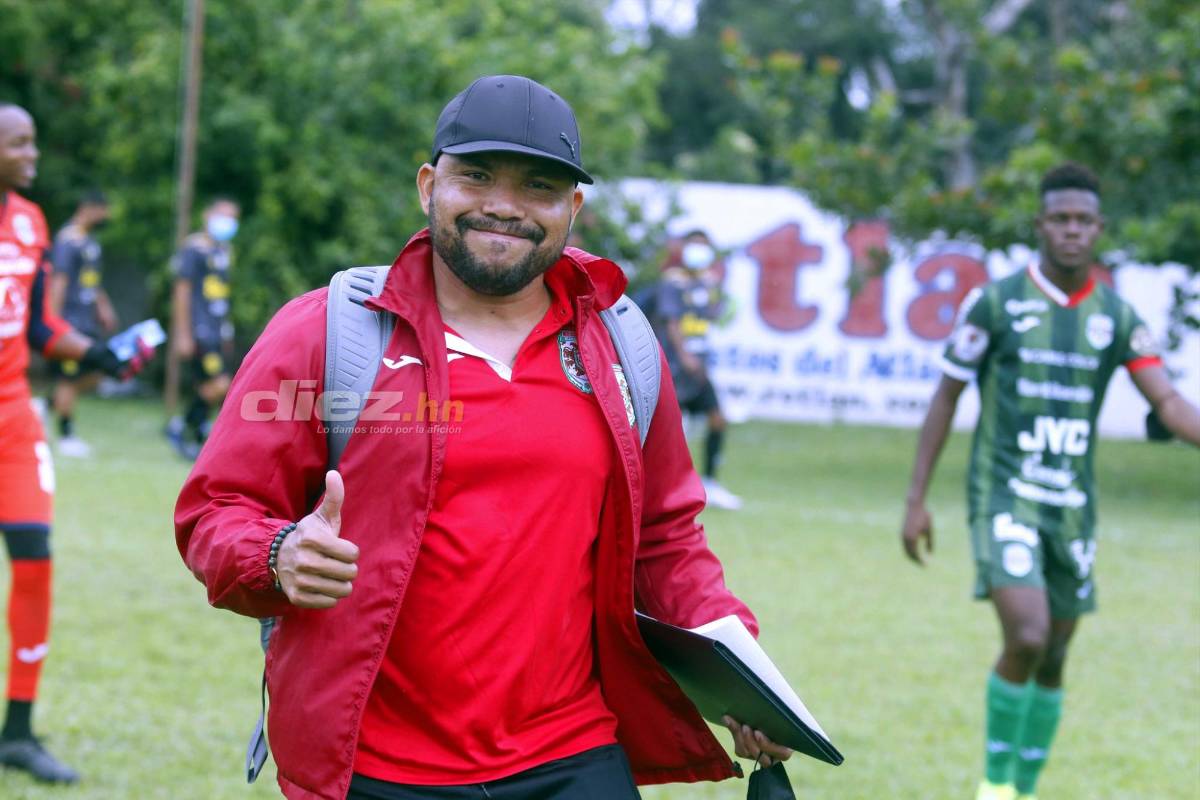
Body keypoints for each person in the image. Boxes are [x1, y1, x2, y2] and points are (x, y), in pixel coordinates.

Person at [175, 75, 792, 800]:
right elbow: (215, 509)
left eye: (538, 185)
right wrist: (275, 555)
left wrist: (745, 669)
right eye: (476, 176)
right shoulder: (327, 333)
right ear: (429, 185)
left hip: (575, 753)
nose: (503, 206)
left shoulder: (621, 347)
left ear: (573, 207)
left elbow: (665, 539)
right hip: (375, 767)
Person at [900, 162, 1200, 800]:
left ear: (1100, 230)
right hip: (1005, 496)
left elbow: (1168, 402)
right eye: (1059, 219)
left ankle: (1024, 788)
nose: (1071, 231)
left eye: (1083, 221)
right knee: (1028, 635)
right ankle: (994, 785)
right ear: (1039, 226)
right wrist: (916, 499)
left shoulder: (1115, 316)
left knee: (1056, 656)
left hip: (1073, 508)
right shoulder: (997, 301)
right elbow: (945, 398)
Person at [0, 103, 150, 784]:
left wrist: (102, 355)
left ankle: (19, 732)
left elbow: (35, 326)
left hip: (12, 421)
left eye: (33, 139)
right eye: (20, 142)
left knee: (35, 560)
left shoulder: (30, 221)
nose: (32, 154)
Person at [653, 229, 742, 510]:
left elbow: (717, 314)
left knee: (718, 419)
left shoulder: (708, 285)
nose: (698, 251)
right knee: (667, 429)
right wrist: (684, 354)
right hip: (676, 367)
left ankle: (711, 482)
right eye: (694, 245)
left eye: (704, 246)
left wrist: (719, 297)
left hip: (700, 367)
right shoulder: (672, 283)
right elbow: (672, 323)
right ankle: (660, 488)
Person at [165, 197, 239, 459]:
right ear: (207, 215)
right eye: (223, 215)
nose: (227, 222)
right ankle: (184, 427)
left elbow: (221, 297)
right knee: (220, 385)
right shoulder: (193, 249)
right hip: (200, 331)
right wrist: (183, 334)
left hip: (217, 330)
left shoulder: (224, 252)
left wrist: (226, 329)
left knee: (206, 387)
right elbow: (182, 291)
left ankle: (194, 432)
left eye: (233, 218)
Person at [47, 189, 117, 458]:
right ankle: (66, 436)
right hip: (69, 321)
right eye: (103, 210)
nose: (106, 216)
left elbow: (91, 281)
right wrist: (53, 322)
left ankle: (44, 404)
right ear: (88, 208)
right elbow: (60, 281)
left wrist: (104, 307)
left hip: (86, 319)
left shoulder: (89, 242)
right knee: (68, 377)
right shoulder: (68, 240)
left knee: (97, 371)